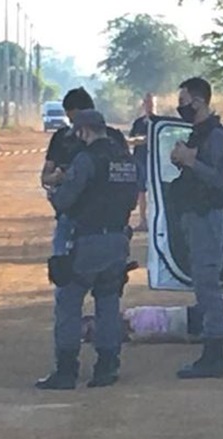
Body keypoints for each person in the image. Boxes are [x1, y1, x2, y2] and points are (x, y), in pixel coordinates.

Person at [36, 110, 139, 390]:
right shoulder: (126, 160)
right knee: (108, 304)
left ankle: (66, 371)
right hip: (118, 240)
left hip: (86, 241)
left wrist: (54, 190)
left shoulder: (86, 159)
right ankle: (107, 367)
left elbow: (65, 201)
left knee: (68, 303)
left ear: (83, 131)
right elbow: (132, 199)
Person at [170, 77, 223, 379]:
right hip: (196, 216)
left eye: (183, 102)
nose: (180, 107)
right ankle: (212, 350)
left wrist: (191, 162)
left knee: (208, 285)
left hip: (207, 216)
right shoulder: (200, 134)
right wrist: (182, 160)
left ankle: (214, 354)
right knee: (202, 282)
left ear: (198, 101)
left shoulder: (217, 137)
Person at [41, 87, 131, 255]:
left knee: (68, 276)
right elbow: (45, 177)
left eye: (73, 118)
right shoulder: (62, 137)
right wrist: (57, 178)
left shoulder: (112, 139)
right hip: (111, 224)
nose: (74, 125)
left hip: (96, 222)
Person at [128, 93, 157, 231]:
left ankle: (154, 220)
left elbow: (142, 140)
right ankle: (143, 220)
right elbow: (132, 139)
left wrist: (138, 140)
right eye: (147, 103)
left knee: (155, 192)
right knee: (141, 191)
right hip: (140, 159)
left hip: (155, 161)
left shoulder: (158, 122)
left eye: (151, 103)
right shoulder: (138, 123)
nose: (149, 105)